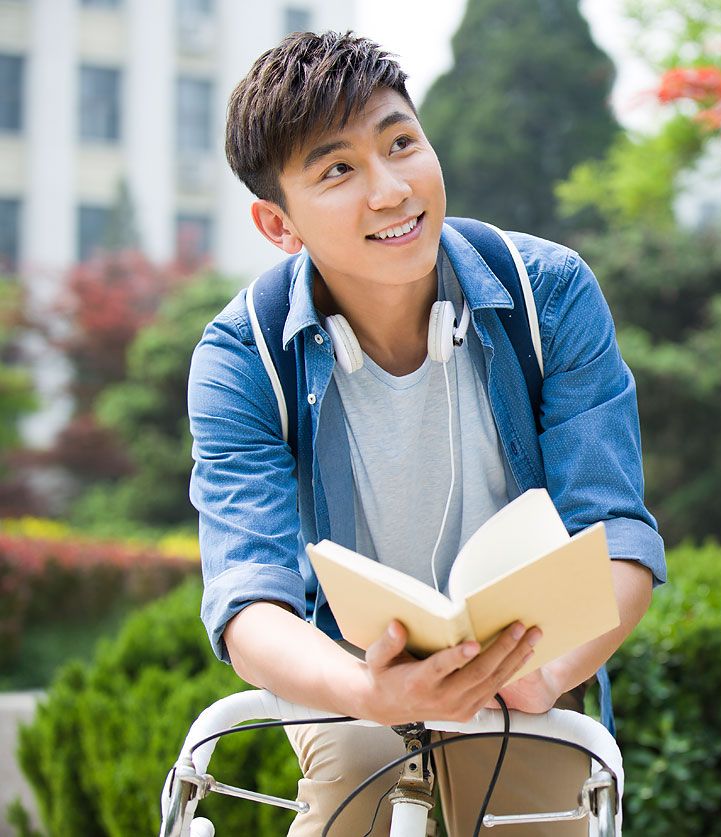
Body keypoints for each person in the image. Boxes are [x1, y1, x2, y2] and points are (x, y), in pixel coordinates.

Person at [187, 30, 665, 836]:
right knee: (357, 781)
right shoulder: (244, 355)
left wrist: (543, 675)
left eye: (401, 143)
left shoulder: (547, 293)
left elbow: (616, 532)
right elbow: (246, 599)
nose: (390, 189)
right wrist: (372, 690)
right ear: (278, 223)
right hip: (344, 663)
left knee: (533, 811)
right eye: (337, 170)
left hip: (525, 658)